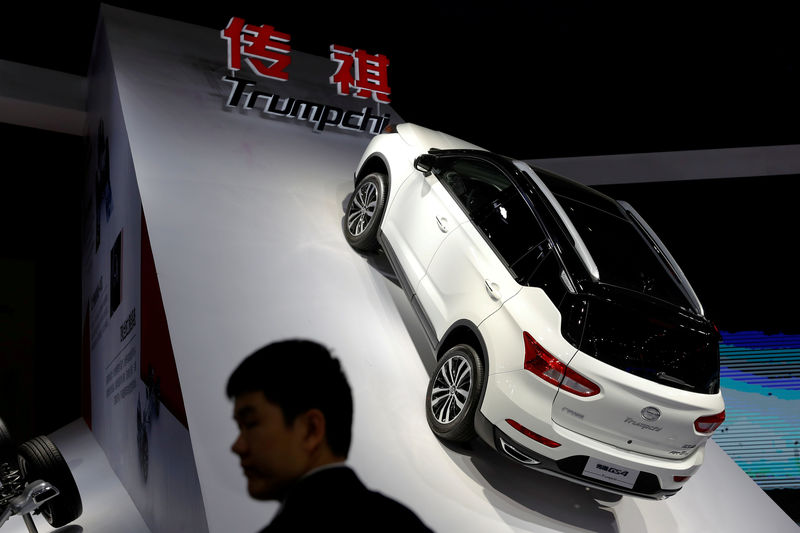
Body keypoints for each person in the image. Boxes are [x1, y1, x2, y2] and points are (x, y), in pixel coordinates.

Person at [227, 339, 434, 533]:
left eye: (251, 424)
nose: (237, 446)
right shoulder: (401, 520)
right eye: (239, 427)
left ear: (311, 430)